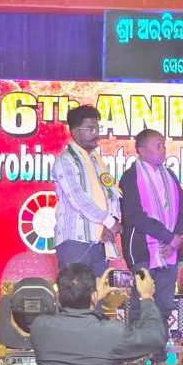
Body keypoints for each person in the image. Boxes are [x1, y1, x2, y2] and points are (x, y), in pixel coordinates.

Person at [120, 129, 183, 361]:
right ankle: (137, 355)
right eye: (158, 145)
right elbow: (134, 216)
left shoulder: (169, 175)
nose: (163, 149)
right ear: (141, 150)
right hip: (143, 251)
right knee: (142, 303)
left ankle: (158, 355)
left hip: (170, 252)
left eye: (163, 145)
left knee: (165, 305)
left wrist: (177, 238)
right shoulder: (130, 177)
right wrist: (167, 237)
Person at [30, 263, 166, 365]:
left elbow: (66, 320)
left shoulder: (39, 327)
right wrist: (147, 296)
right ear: (94, 295)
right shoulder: (112, 332)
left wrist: (93, 299)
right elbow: (155, 338)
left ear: (58, 296)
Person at [52, 105, 121, 277]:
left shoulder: (98, 161)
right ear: (75, 131)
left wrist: (111, 221)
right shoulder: (65, 160)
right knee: (75, 292)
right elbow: (78, 199)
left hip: (102, 240)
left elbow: (112, 194)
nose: (96, 133)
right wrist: (109, 222)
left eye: (97, 128)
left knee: (98, 292)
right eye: (90, 129)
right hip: (75, 241)